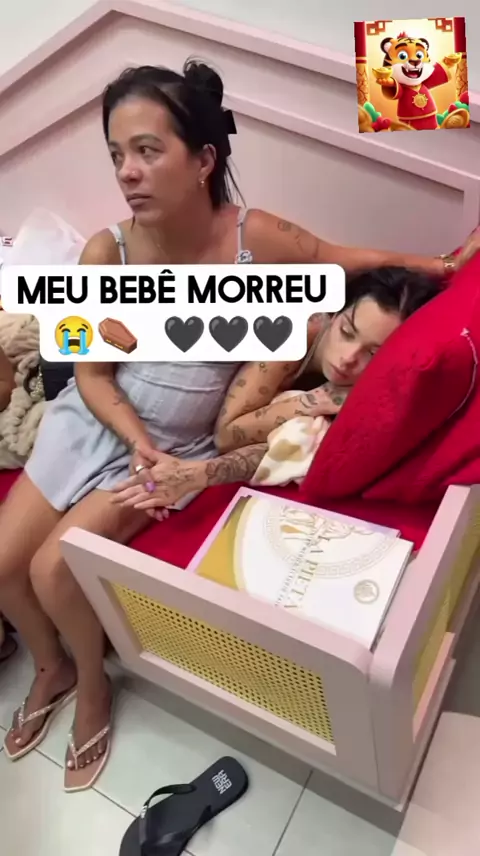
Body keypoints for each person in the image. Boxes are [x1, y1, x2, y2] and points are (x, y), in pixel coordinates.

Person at [0, 58, 476, 793]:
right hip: (98, 420)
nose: (127, 172)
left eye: (147, 150)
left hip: (178, 440)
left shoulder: (256, 239)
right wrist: (134, 439)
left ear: (203, 161)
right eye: (117, 154)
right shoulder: (104, 252)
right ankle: (51, 666)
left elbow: (343, 259)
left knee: (53, 570)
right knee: (5, 563)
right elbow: (90, 375)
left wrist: (443, 265)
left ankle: (91, 683)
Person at [112, 265, 442, 512]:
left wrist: (200, 474)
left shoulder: (383, 381)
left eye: (373, 353)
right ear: (333, 314)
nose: (348, 358)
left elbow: (287, 444)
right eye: (347, 331)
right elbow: (227, 435)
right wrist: (316, 400)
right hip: (135, 378)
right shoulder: (293, 333)